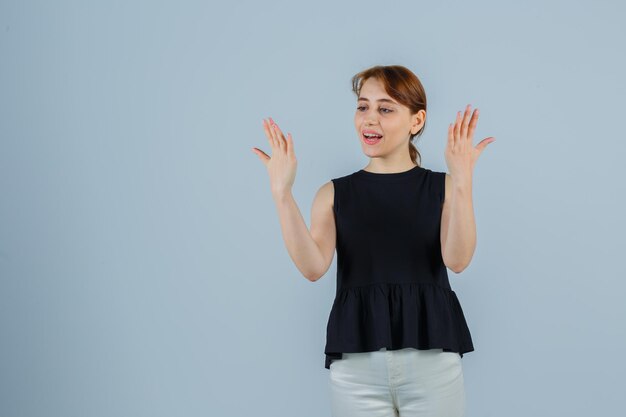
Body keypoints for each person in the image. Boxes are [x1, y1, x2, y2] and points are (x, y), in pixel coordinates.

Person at [251, 65, 495, 417]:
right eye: (363, 106)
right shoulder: (333, 194)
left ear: (416, 120)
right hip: (355, 367)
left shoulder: (442, 188)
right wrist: (281, 192)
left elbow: (457, 259)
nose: (369, 119)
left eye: (385, 108)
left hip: (432, 363)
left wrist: (462, 181)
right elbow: (312, 267)